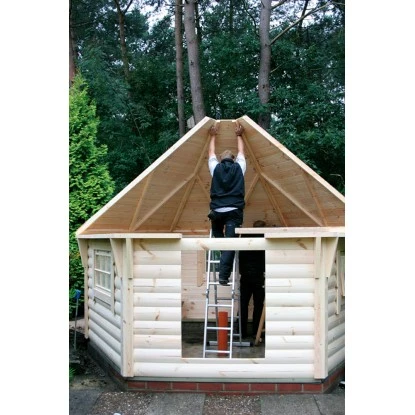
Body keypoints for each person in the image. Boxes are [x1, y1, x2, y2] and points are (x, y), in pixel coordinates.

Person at [208, 121, 246, 286]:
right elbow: (242, 152)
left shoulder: (215, 168)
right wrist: (239, 135)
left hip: (217, 211)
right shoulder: (240, 167)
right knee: (230, 243)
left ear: (220, 160)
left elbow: (211, 152)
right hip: (234, 211)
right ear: (233, 159)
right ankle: (223, 277)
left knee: (219, 238)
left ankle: (224, 256)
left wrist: (212, 136)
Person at [238, 220, 266, 339]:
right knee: (258, 305)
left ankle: (241, 331)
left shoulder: (244, 237)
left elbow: (240, 256)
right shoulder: (264, 239)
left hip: (245, 276)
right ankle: (256, 332)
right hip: (259, 277)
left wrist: (242, 271)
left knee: (243, 305)